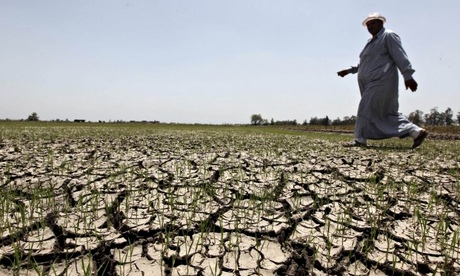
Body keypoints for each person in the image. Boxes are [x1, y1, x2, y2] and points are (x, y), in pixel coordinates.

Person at [337, 12, 427, 149]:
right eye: (368, 24)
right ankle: (416, 132)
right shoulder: (371, 42)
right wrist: (349, 70)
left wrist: (408, 76)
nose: (370, 26)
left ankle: (359, 140)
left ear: (381, 23)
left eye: (373, 23)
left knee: (364, 108)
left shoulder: (388, 36)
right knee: (385, 113)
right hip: (369, 84)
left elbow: (400, 56)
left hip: (381, 81)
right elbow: (365, 64)